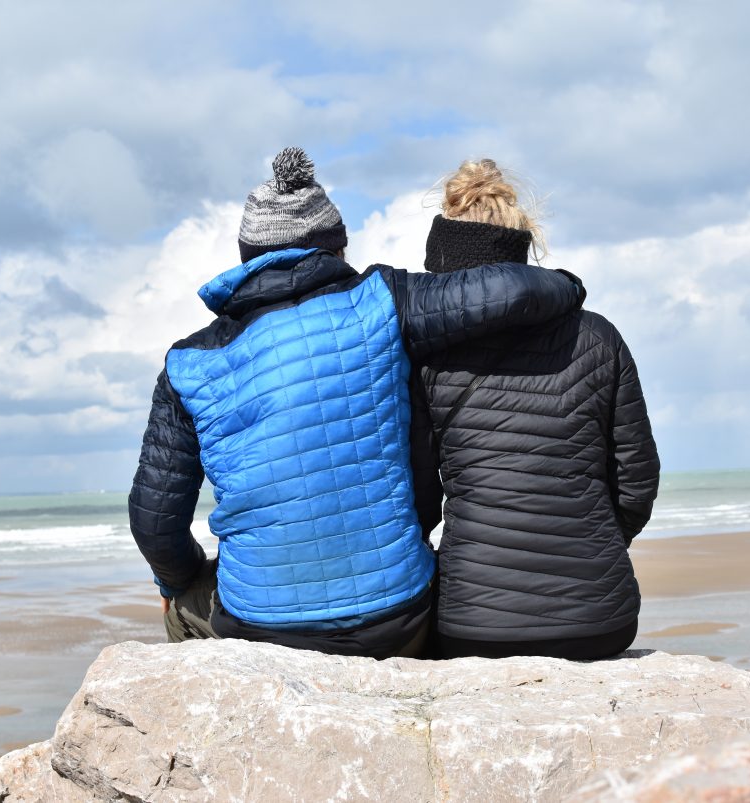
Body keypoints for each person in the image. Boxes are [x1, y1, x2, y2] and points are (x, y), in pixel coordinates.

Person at [128, 147, 582, 659]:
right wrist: (569, 286)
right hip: (397, 620)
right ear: (337, 249)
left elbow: (155, 523)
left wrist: (181, 581)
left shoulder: (189, 362)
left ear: (245, 259)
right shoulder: (381, 302)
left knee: (184, 606)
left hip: (258, 626)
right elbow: (510, 289)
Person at [418, 159, 660, 660]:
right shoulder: (596, 336)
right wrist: (593, 546)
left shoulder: (425, 353)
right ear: (521, 244)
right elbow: (637, 482)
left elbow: (417, 496)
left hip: (472, 626)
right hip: (600, 619)